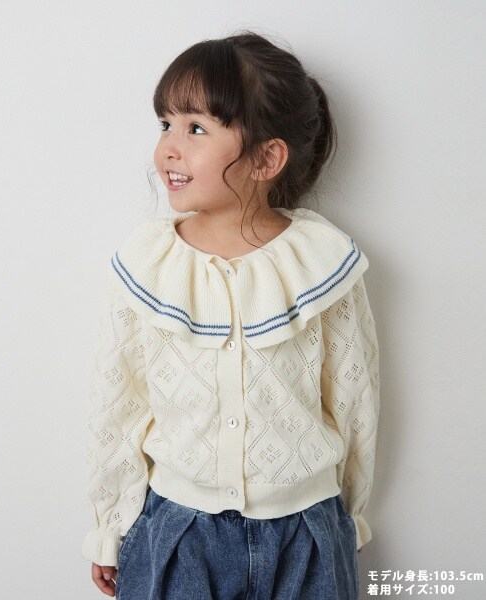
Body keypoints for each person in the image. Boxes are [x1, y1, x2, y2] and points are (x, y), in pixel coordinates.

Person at [82, 31, 380, 600]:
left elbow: (355, 399)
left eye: (196, 128)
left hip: (307, 531)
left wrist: (350, 516)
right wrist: (110, 525)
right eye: (165, 124)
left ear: (267, 157)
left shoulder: (322, 263)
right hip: (177, 531)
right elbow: (118, 402)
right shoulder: (147, 264)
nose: (169, 148)